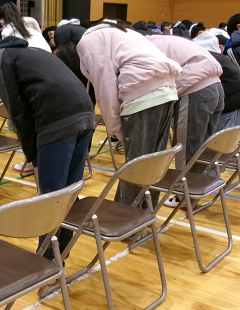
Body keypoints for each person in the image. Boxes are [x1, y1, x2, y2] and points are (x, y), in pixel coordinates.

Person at [0, 36, 95, 259]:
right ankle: (60, 257)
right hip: (86, 115)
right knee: (69, 194)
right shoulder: (33, 51)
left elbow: (18, 112)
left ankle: (48, 261)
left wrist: (33, 156)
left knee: (50, 198)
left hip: (57, 120)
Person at [77, 20, 182, 207]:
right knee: (154, 164)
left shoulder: (89, 42)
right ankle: (146, 215)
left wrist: (116, 129)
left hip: (141, 94)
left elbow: (105, 88)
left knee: (135, 167)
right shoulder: (124, 33)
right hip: (168, 92)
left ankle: (124, 217)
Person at [147, 34, 224, 193]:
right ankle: (199, 187)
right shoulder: (162, 40)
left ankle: (183, 193)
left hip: (195, 90)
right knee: (204, 145)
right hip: (216, 86)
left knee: (186, 147)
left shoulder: (144, 47)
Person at [194, 31, 240, 130]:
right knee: (225, 138)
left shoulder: (207, 58)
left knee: (220, 139)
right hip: (236, 101)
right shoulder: (219, 57)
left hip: (230, 104)